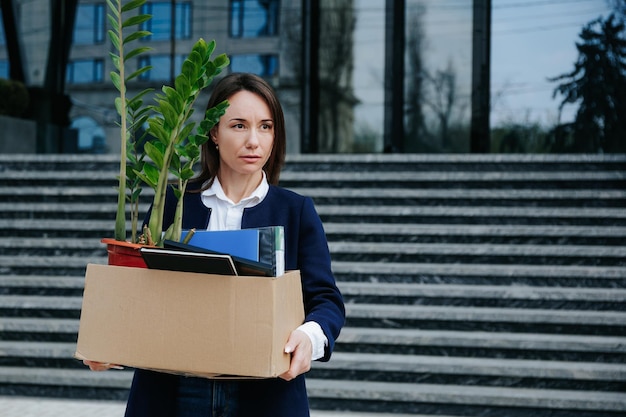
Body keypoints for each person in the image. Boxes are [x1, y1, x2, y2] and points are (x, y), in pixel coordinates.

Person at [84, 72, 346, 417]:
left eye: (265, 127)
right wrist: (110, 337)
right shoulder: (175, 203)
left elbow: (326, 300)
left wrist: (309, 337)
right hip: (175, 388)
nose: (254, 141)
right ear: (214, 133)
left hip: (263, 393)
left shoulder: (296, 211)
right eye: (239, 126)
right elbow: (140, 287)